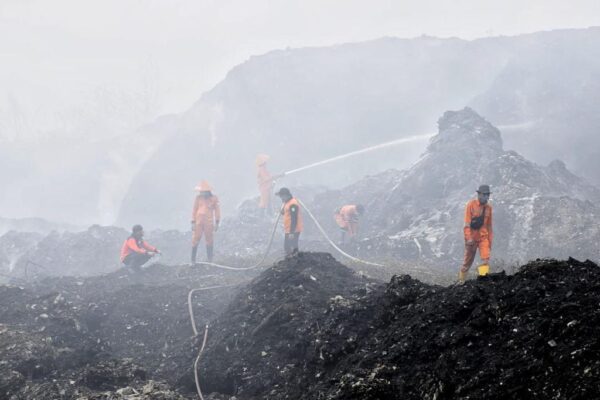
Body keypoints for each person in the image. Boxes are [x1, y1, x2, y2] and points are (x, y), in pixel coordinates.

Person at [459, 184, 493, 282]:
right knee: (466, 264)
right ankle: (461, 281)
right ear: (479, 194)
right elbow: (466, 224)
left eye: (488, 195)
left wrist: (489, 242)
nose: (487, 197)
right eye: (485, 194)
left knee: (485, 260)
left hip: (483, 238)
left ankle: (482, 281)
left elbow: (489, 226)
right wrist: (468, 238)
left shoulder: (489, 208)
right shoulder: (471, 205)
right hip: (471, 239)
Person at [191, 180, 221, 263]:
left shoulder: (214, 199)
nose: (201, 193)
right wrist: (193, 222)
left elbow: (217, 211)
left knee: (209, 240)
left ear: (207, 191)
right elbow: (194, 210)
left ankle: (210, 260)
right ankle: (193, 261)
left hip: (209, 222)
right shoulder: (198, 198)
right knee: (195, 240)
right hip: (198, 222)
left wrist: (217, 222)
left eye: (202, 191)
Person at [275, 187, 303, 255]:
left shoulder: (293, 204)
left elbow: (294, 219)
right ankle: (293, 260)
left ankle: (294, 261)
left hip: (293, 230)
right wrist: (282, 212)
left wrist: (291, 232)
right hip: (289, 229)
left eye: (282, 196)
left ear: (286, 195)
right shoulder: (287, 202)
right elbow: (288, 213)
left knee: (290, 247)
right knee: (289, 247)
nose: (281, 198)